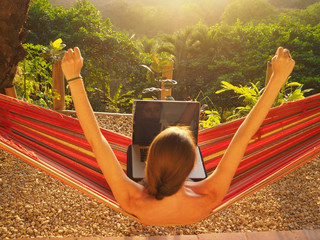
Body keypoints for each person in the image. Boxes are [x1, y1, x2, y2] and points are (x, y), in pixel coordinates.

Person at [61, 46, 295, 225]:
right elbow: (243, 136)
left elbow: (95, 140)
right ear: (192, 165)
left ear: (148, 162)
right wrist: (278, 78)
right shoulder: (208, 198)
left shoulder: (133, 201)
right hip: (194, 207)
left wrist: (74, 78)